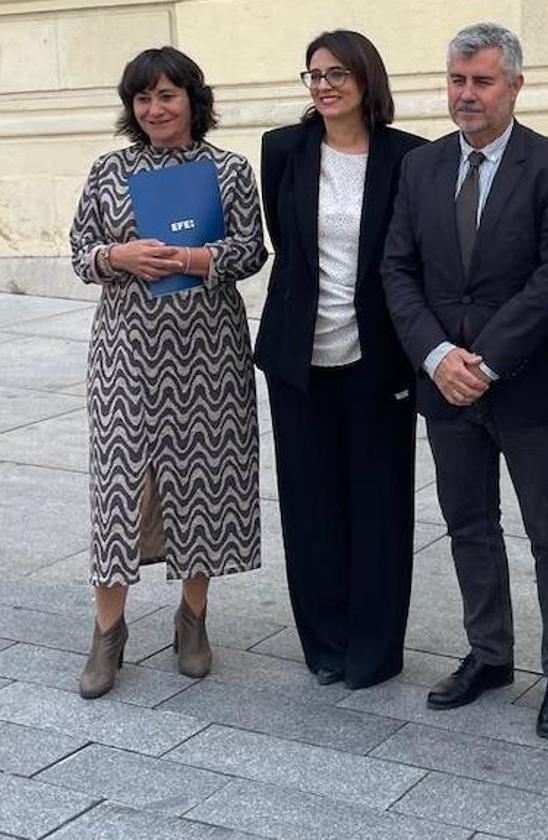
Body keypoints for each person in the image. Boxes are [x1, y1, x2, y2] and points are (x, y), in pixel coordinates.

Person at [381, 21, 548, 739]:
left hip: (532, 385)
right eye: (456, 81)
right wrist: (440, 356)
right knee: (469, 525)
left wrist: (486, 360)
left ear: (515, 86)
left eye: (482, 81)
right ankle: (489, 654)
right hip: (446, 388)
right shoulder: (421, 166)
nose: (466, 95)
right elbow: (397, 270)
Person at [69, 47, 268, 699]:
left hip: (208, 351)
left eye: (167, 96)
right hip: (126, 351)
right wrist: (117, 255)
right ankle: (108, 632)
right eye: (143, 98)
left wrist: (193, 256)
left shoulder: (229, 170)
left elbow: (249, 250)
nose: (154, 109)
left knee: (202, 481)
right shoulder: (110, 170)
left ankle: (193, 619)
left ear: (192, 99)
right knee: (121, 488)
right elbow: (80, 253)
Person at [254, 31, 426, 690]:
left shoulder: (409, 156)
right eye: (314, 74)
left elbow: (407, 259)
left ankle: (374, 651)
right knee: (309, 501)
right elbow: (286, 245)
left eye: (337, 73)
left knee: (380, 503)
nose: (324, 85)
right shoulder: (283, 149)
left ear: (365, 79)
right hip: (299, 357)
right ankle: (324, 643)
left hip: (378, 358)